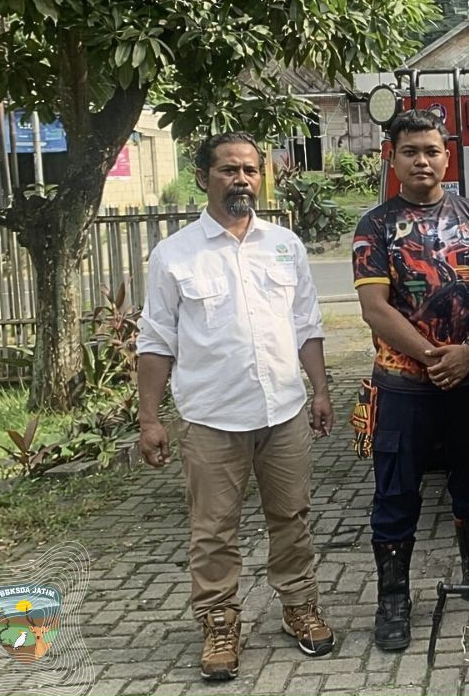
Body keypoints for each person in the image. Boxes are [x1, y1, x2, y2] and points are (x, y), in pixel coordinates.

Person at [137, 132, 336, 682]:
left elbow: (306, 325)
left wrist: (319, 390)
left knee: (291, 516)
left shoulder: (284, 245)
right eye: (229, 170)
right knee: (213, 528)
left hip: (284, 412)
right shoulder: (175, 255)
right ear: (204, 178)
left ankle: (299, 605)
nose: (242, 179)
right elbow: (155, 340)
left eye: (250, 169)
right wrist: (149, 418)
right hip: (211, 419)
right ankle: (220, 622)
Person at [352, 109, 469, 651]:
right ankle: (393, 600)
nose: (423, 160)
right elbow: (375, 307)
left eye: (432, 150)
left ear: (447, 156)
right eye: (410, 151)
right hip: (402, 384)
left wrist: (465, 352)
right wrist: (432, 357)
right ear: (391, 158)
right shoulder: (374, 225)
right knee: (396, 492)